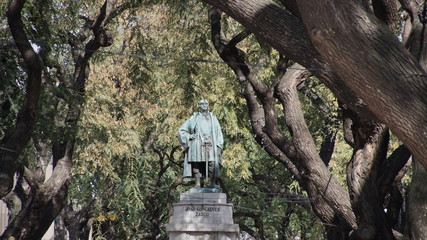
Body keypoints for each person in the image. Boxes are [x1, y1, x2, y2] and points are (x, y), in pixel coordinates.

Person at [178, 99, 224, 189]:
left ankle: (212, 183)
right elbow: (182, 131)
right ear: (199, 105)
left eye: (206, 103)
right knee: (196, 164)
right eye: (202, 104)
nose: (204, 105)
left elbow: (219, 132)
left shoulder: (213, 118)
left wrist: (219, 146)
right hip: (197, 144)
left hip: (210, 144)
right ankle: (197, 184)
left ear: (208, 105)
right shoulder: (194, 118)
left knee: (212, 163)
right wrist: (189, 136)